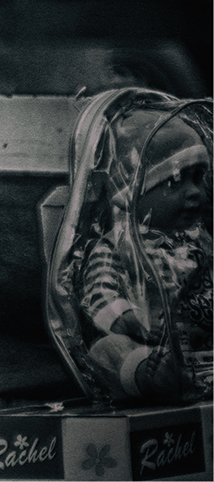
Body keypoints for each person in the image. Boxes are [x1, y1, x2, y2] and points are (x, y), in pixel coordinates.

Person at [51, 88, 212, 404]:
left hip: (200, 347)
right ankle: (151, 375)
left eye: (200, 179)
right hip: (149, 346)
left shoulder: (201, 242)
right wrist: (130, 319)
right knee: (106, 350)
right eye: (177, 181)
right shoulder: (117, 248)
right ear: (135, 191)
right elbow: (99, 293)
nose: (195, 193)